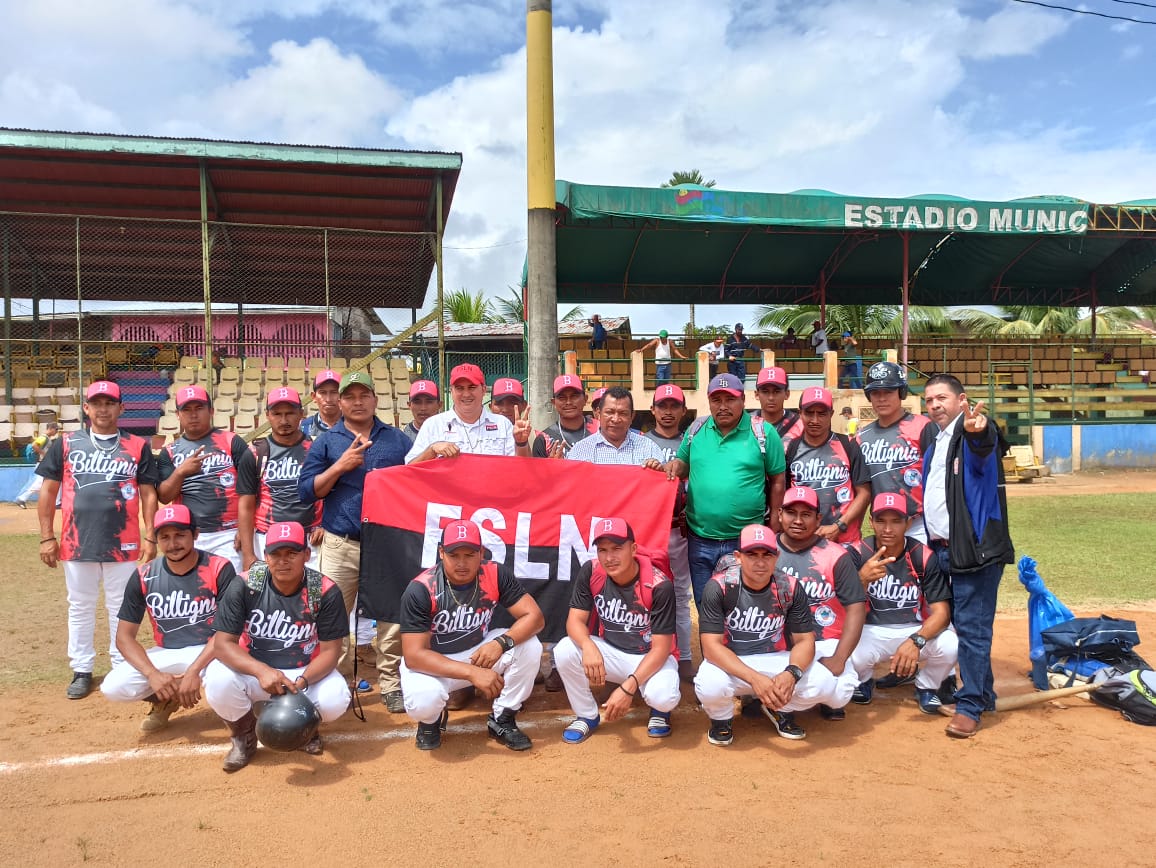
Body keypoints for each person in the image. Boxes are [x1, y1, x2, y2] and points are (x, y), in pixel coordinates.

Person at [37, 380, 159, 700]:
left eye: (110, 403)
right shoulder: (66, 444)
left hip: (125, 540)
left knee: (122, 606)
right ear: (86, 408)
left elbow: (148, 492)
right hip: (77, 541)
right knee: (80, 606)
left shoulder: (137, 445)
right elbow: (48, 493)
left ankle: (121, 663)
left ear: (121, 408)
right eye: (97, 403)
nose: (103, 409)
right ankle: (82, 668)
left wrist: (151, 535)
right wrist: (46, 537)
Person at [298, 370, 412, 712]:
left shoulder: (396, 439)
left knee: (392, 618)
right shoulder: (327, 441)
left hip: (387, 544)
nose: (357, 401)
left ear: (376, 399)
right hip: (340, 542)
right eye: (350, 396)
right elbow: (306, 492)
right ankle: (339, 682)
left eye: (364, 395)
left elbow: (416, 478)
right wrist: (340, 467)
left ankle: (391, 683)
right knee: (332, 616)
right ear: (340, 401)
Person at [204, 521, 350, 771]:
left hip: (303, 673)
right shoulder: (245, 585)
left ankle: (306, 729)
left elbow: (330, 652)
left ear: (306, 554)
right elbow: (222, 644)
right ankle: (244, 736)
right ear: (265, 555)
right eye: (276, 553)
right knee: (217, 680)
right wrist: (261, 671)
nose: (283, 561)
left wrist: (301, 684)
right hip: (254, 671)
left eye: (291, 553)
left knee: (335, 698)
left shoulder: (324, 590)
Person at [694, 524, 853, 744]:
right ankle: (721, 718)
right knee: (709, 685)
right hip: (732, 662)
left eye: (767, 554)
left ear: (776, 557)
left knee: (823, 683)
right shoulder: (719, 587)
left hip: (774, 660)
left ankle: (780, 707)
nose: (760, 562)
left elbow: (805, 640)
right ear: (738, 557)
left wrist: (791, 673)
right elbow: (711, 647)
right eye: (752, 554)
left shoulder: (789, 586)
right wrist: (755, 679)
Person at [920, 374, 1014, 739]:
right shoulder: (935, 443)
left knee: (972, 631)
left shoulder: (972, 434)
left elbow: (985, 444)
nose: (935, 405)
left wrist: (979, 430)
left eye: (942, 398)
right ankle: (984, 694)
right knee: (964, 627)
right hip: (944, 549)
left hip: (974, 551)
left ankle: (970, 704)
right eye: (928, 400)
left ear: (962, 400)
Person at [399, 520, 545, 751]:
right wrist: (472, 673)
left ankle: (503, 719)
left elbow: (535, 617)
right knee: (423, 701)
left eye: (469, 554)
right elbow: (414, 656)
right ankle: (430, 722)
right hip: (434, 663)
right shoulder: (421, 589)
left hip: (477, 651)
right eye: (454, 554)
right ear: (441, 553)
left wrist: (501, 643)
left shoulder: (495, 573)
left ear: (481, 552)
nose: (462, 563)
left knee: (529, 646)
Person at [101, 504, 236, 732]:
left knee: (225, 681)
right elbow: (124, 637)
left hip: (214, 649)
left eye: (180, 535)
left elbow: (228, 632)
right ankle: (165, 699)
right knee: (114, 686)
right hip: (168, 651)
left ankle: (241, 718)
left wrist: (193, 671)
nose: (173, 544)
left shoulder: (219, 568)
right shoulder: (144, 575)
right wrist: (153, 675)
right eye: (165, 537)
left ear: (195, 534)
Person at [554, 518, 681, 743]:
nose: (609, 558)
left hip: (652, 658)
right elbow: (574, 621)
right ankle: (586, 715)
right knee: (565, 649)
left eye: (617, 548)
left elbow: (661, 649)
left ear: (632, 549)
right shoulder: (591, 571)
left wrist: (627, 688)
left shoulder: (658, 585)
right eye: (602, 550)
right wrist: (588, 646)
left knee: (663, 697)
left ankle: (660, 711)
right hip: (613, 653)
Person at [667, 373, 786, 607]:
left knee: (743, 606)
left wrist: (774, 520)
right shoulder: (696, 429)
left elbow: (778, 479)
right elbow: (682, 465)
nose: (723, 406)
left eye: (730, 399)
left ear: (742, 400)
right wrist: (672, 466)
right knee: (705, 605)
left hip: (744, 541)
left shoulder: (763, 432)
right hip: (699, 538)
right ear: (709, 401)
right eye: (716, 400)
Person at [846, 493, 958, 716]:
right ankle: (864, 681)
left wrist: (916, 641)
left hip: (912, 629)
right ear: (871, 522)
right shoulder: (857, 554)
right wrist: (861, 580)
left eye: (896, 521)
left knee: (950, 644)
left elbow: (942, 613)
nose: (888, 529)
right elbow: (838, 610)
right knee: (848, 654)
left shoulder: (922, 555)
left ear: (908, 523)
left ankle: (926, 686)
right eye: (881, 520)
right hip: (870, 631)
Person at [775, 485, 865, 722]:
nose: (797, 520)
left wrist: (839, 658)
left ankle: (785, 698)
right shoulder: (765, 553)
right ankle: (780, 706)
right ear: (779, 515)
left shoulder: (836, 555)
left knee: (840, 694)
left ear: (818, 519)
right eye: (791, 512)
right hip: (776, 644)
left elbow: (856, 608)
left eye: (806, 514)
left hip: (825, 641)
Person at [156, 385, 256, 572]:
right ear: (178, 414)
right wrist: (180, 472)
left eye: (199, 408)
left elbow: (251, 491)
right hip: (190, 534)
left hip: (230, 533)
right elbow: (164, 496)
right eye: (187, 409)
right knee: (197, 591)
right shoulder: (169, 452)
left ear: (211, 411)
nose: (193, 415)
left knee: (232, 592)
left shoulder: (232, 441)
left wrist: (246, 531)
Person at [237, 387, 322, 573]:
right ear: (267, 415)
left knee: (312, 597)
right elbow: (245, 505)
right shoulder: (254, 454)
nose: (284, 420)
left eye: (290, 413)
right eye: (277, 413)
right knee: (265, 598)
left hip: (310, 538)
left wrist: (325, 526)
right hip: (266, 538)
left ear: (302, 413)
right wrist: (248, 554)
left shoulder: (317, 450)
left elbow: (330, 493)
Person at [643, 384, 694, 681]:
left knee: (680, 595)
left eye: (674, 406)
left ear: (683, 411)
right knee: (646, 594)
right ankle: (646, 650)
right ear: (652, 410)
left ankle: (684, 655)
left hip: (678, 529)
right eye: (662, 405)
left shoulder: (691, 444)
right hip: (648, 531)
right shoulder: (641, 443)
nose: (668, 411)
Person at [855, 361, 932, 543]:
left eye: (888, 392)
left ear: (901, 393)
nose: (881, 398)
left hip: (920, 524)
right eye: (875, 393)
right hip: (884, 526)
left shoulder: (923, 427)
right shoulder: (861, 438)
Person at [786, 387, 871, 545]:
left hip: (845, 541)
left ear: (831, 414)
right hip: (804, 542)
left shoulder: (848, 445)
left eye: (822, 413)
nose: (815, 420)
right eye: (809, 413)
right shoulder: (791, 449)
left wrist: (839, 525)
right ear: (800, 413)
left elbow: (864, 493)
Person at [407, 363, 532, 463]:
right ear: (451, 391)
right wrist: (432, 450)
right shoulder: (433, 425)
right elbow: (410, 470)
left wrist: (521, 443)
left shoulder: (502, 424)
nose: (466, 394)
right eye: (459, 388)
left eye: (472, 387)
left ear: (483, 390)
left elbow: (521, 469)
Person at [565, 386, 667, 468]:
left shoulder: (650, 449)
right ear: (599, 414)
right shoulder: (579, 452)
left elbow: (664, 485)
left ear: (632, 416)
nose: (615, 419)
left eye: (623, 413)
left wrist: (658, 471)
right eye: (610, 412)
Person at [534, 374, 597, 457]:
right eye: (562, 398)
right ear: (554, 403)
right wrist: (551, 467)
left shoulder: (600, 430)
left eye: (574, 396)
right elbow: (536, 470)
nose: (568, 402)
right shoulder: (544, 440)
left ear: (585, 399)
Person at [752, 366, 803, 443]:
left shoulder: (800, 425)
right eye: (765, 392)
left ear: (787, 394)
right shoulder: (746, 424)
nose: (771, 397)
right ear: (757, 394)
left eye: (777, 391)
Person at [15, 428, 52, 508]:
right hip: (41, 464)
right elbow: (34, 445)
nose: (56, 431)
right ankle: (22, 498)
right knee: (39, 483)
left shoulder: (46, 438)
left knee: (42, 483)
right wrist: (44, 454)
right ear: (50, 429)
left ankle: (23, 498)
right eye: (55, 429)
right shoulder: (44, 437)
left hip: (42, 463)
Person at [300, 369, 342, 439]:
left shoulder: (355, 425)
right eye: (323, 392)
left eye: (334, 392)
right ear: (314, 397)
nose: (328, 399)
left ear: (342, 395)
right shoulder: (303, 428)